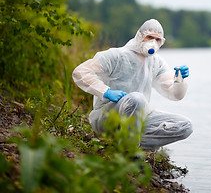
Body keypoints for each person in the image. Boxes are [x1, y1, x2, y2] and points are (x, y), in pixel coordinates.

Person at [72, 19, 192, 150]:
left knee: (185, 125)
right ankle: (130, 151)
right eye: (149, 37)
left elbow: (175, 94)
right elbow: (80, 72)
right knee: (137, 99)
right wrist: (106, 92)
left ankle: (129, 144)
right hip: (107, 116)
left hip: (139, 117)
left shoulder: (156, 62)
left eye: (157, 40)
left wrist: (179, 79)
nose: (153, 42)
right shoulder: (116, 56)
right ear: (140, 36)